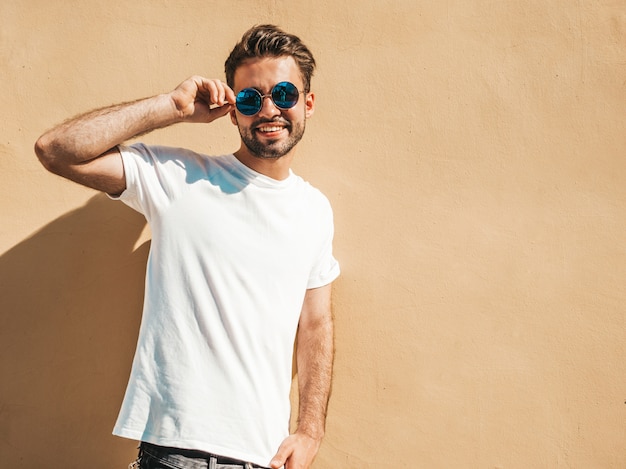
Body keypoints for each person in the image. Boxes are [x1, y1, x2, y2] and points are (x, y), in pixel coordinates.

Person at [34, 24, 340, 469]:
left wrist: (311, 430)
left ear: (307, 103)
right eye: (252, 99)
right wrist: (171, 107)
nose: (270, 110)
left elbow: (315, 324)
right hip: (176, 454)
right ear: (234, 112)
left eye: (285, 94)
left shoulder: (316, 210)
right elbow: (56, 150)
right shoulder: (178, 176)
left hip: (264, 456)